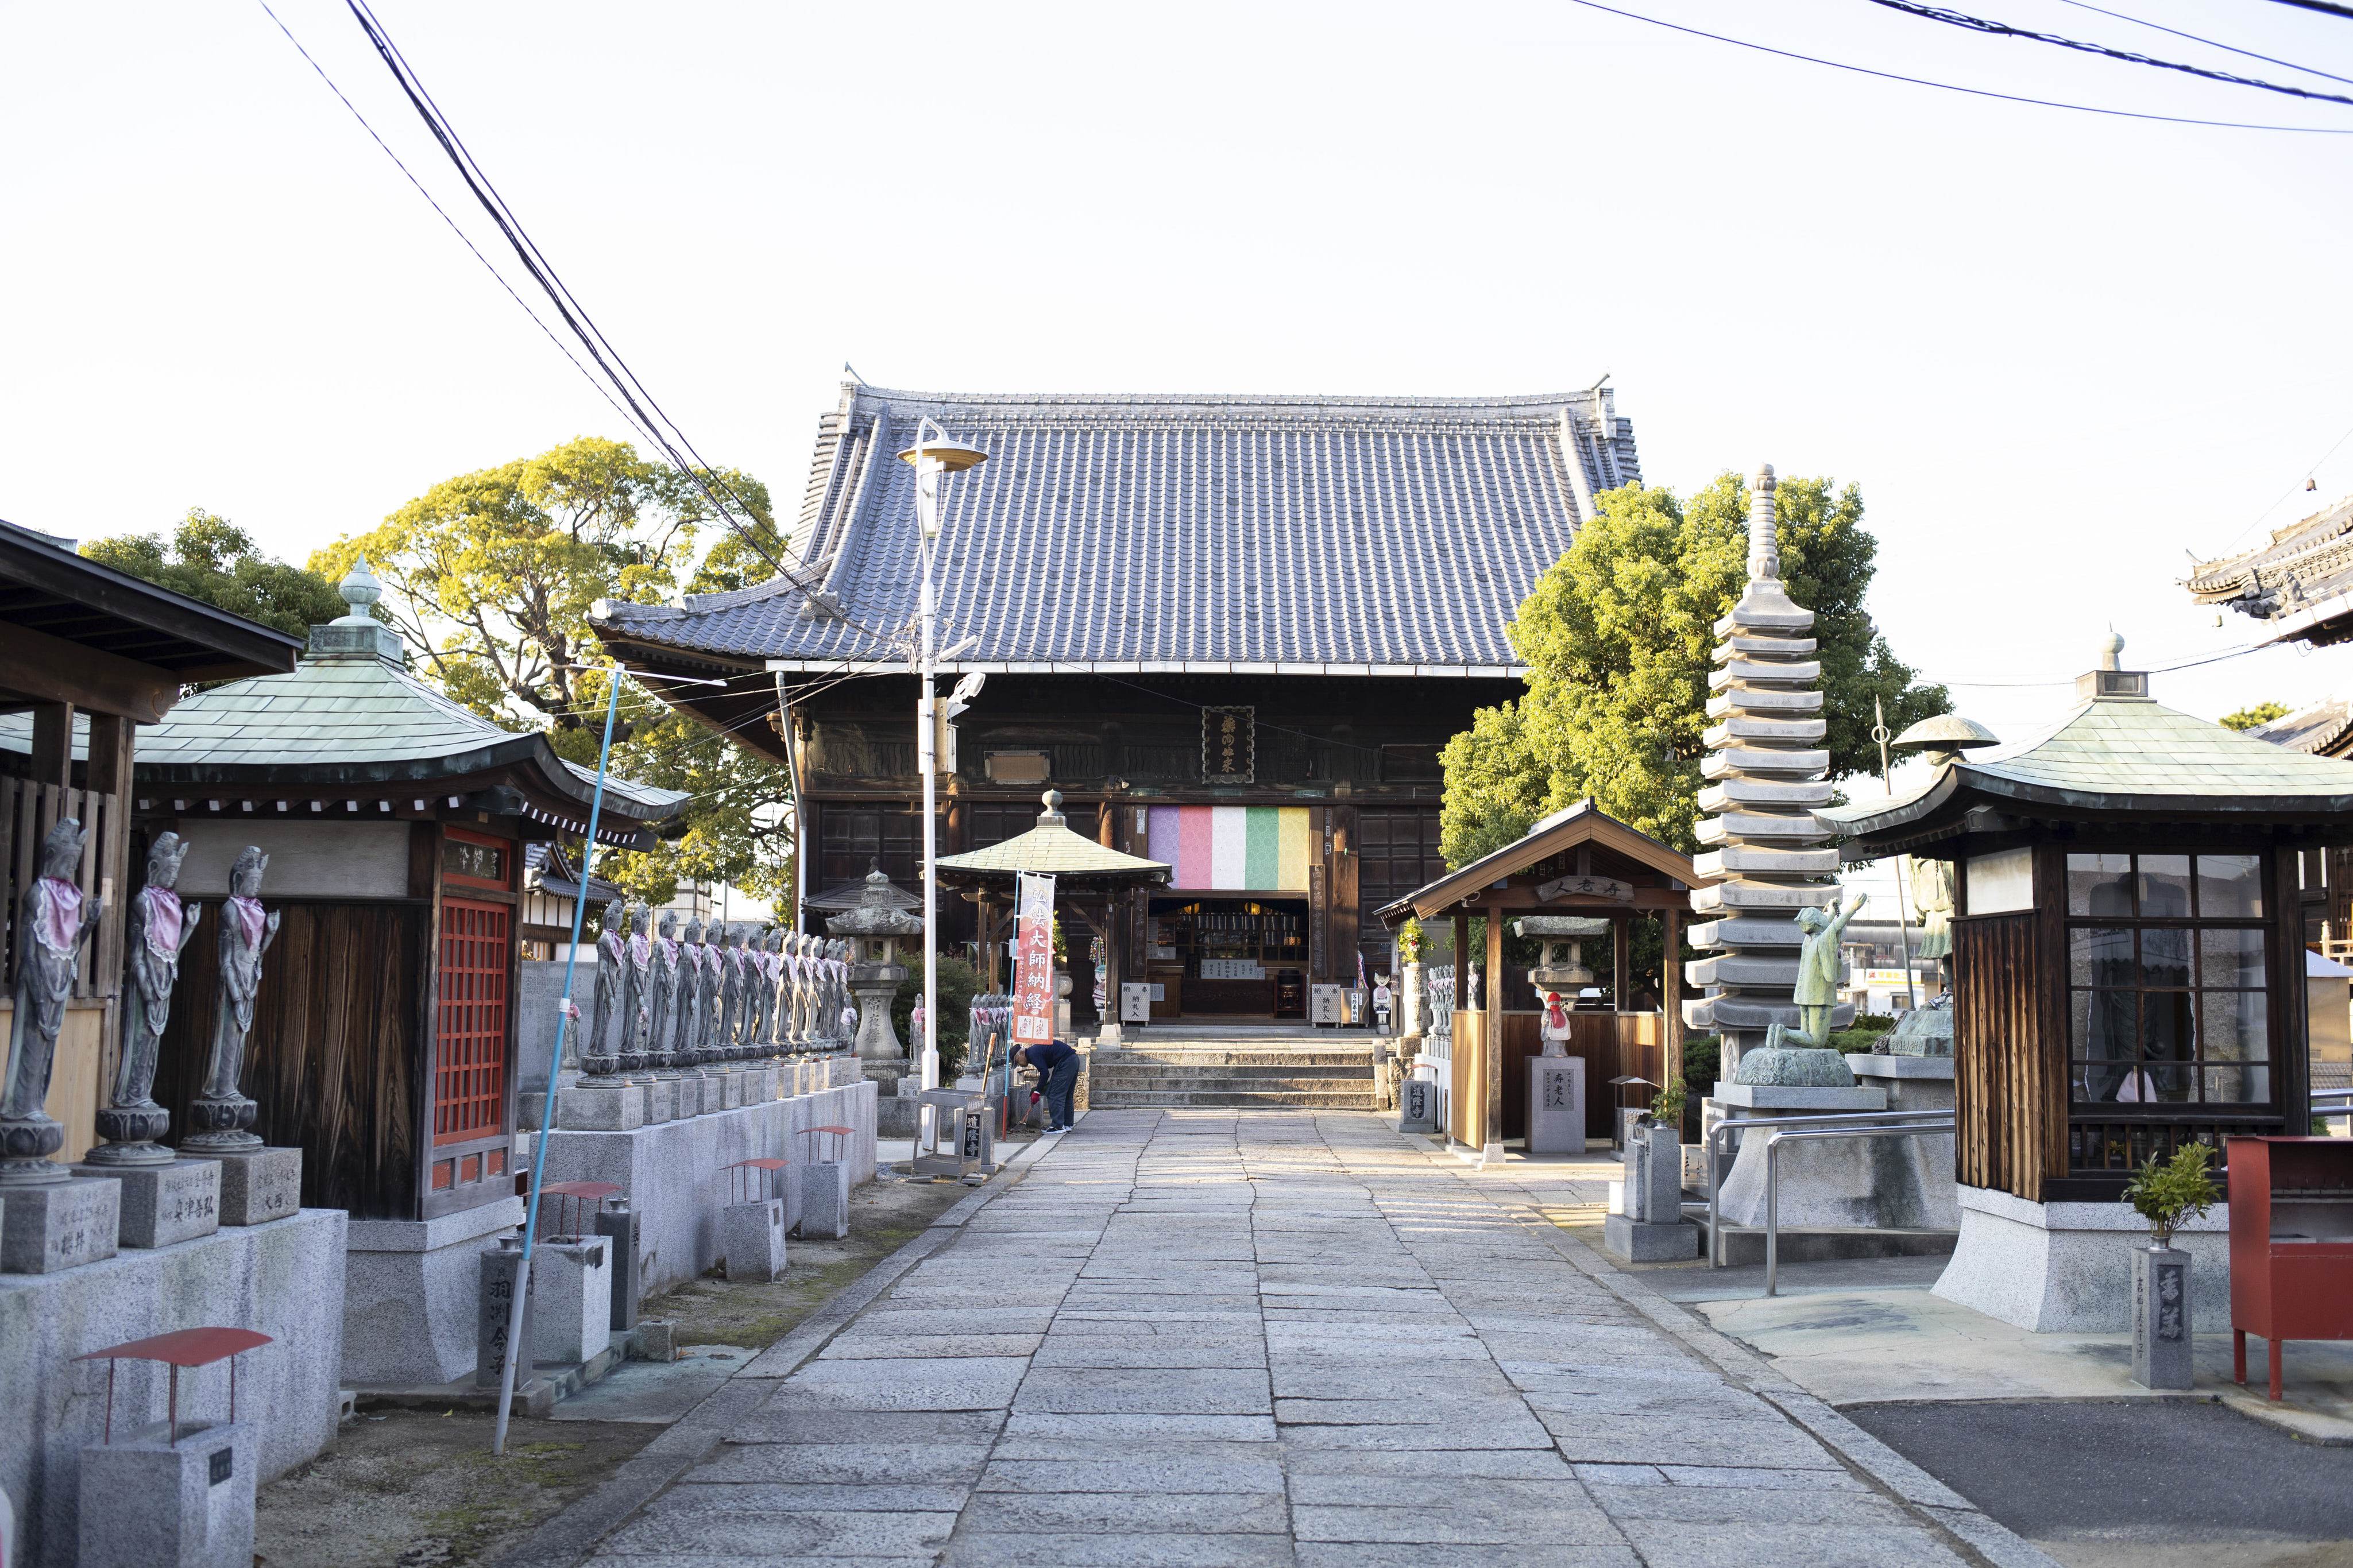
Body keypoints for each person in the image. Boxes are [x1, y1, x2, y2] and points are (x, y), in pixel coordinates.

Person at [1014, 1038, 1080, 1132]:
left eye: (1017, 1061)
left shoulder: (1032, 1054)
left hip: (1065, 1062)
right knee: (1066, 1095)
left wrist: (1037, 1092)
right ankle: (1068, 1125)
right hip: (1072, 1060)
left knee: (1054, 1094)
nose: (1019, 1064)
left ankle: (1057, 1126)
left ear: (1021, 1053)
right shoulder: (1034, 1051)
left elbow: (1045, 1073)